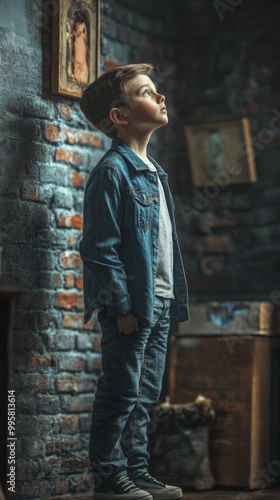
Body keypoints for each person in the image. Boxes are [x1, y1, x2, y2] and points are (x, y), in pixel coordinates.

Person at [79, 63, 190, 500]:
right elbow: (99, 248)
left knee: (146, 395)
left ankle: (137, 471)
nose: (160, 97)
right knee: (121, 392)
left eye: (158, 90)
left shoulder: (155, 172)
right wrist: (121, 306)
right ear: (120, 115)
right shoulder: (112, 171)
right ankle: (109, 478)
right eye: (147, 92)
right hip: (131, 304)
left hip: (160, 299)